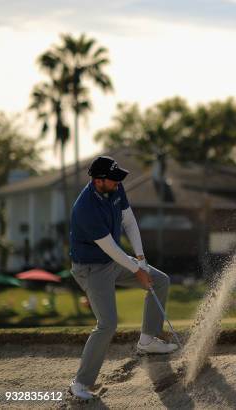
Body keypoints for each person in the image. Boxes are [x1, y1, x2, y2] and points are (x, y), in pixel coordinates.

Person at [68, 156, 177, 400]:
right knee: (107, 324)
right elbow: (110, 248)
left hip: (113, 261)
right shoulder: (85, 208)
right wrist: (137, 270)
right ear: (98, 181)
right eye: (113, 179)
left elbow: (128, 220)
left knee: (160, 280)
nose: (118, 183)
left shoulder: (115, 187)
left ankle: (148, 340)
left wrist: (140, 257)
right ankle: (80, 383)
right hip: (91, 268)